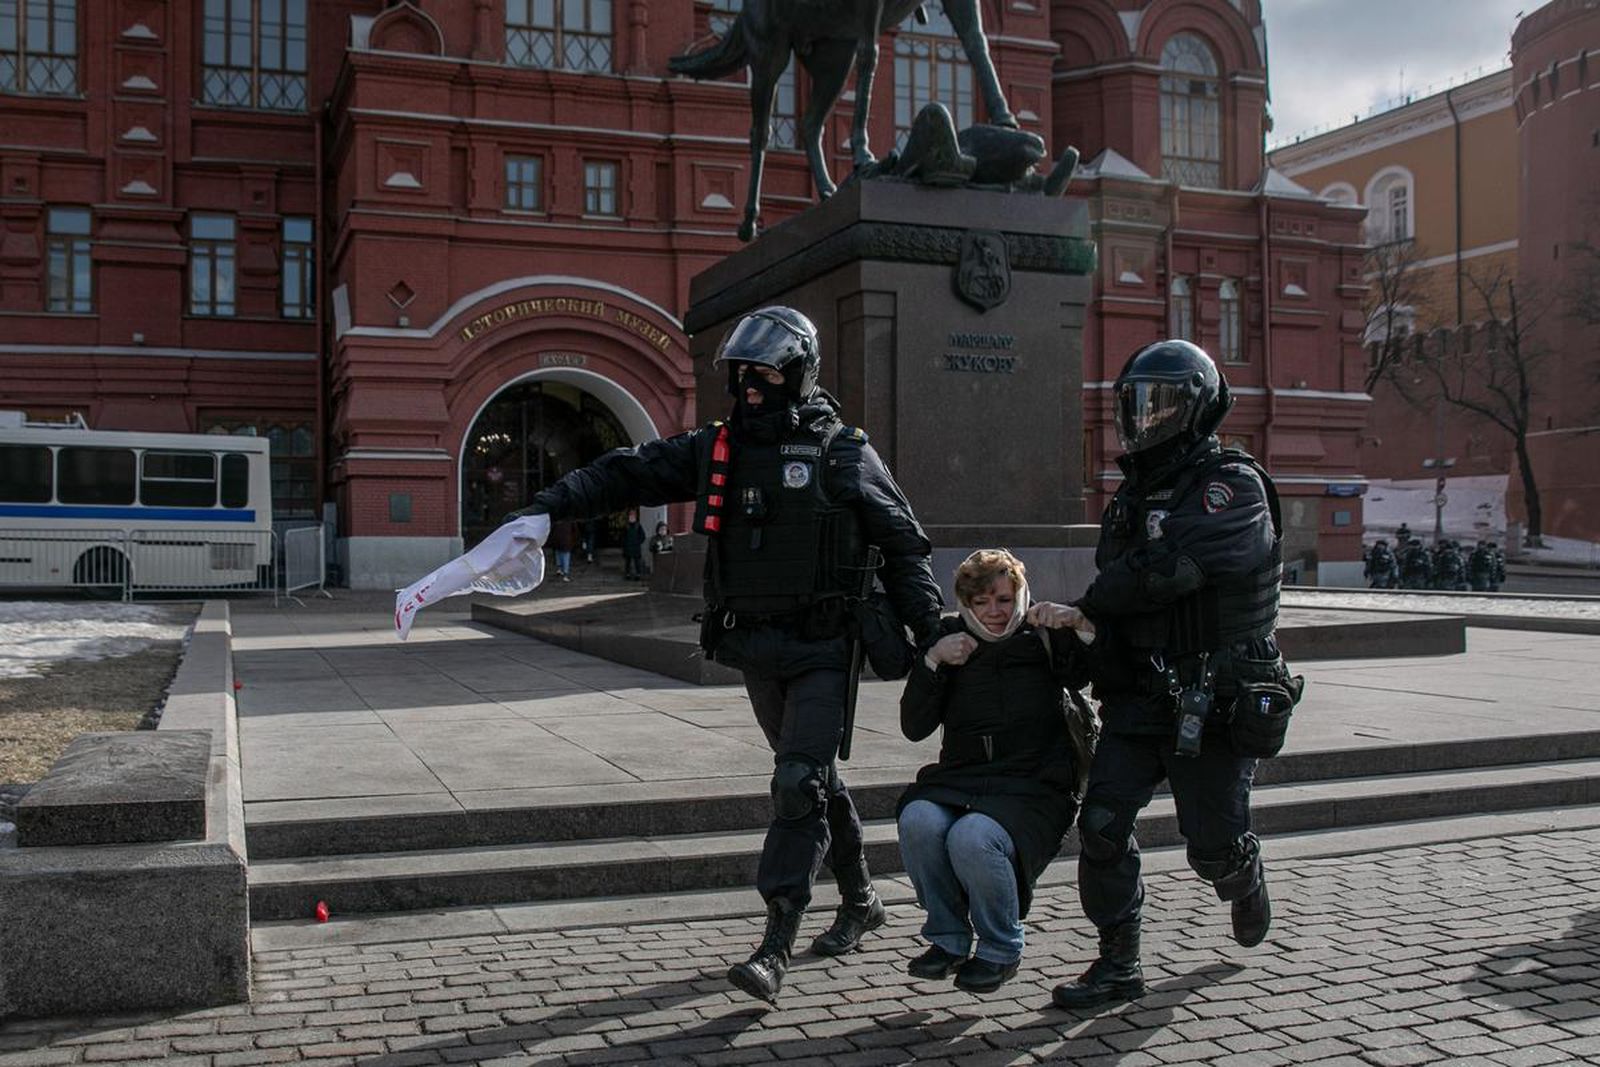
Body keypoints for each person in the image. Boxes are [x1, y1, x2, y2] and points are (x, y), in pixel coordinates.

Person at [500, 306, 943, 1004]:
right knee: (813, 775)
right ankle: (860, 898)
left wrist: (933, 634)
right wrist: (547, 505)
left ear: (798, 371)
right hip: (756, 642)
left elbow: (903, 543)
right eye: (743, 374)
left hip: (826, 643)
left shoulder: (844, 450)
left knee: (798, 782)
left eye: (767, 371)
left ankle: (775, 943)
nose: (753, 386)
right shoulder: (721, 447)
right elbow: (632, 471)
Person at [1050, 339, 1301, 1011]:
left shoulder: (1231, 484)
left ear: (1193, 407)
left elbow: (1170, 572)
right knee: (1101, 824)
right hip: (1138, 691)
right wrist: (1076, 638)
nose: (1145, 416)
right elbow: (1123, 586)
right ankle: (1118, 962)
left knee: (1210, 847)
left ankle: (1242, 873)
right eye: (1136, 403)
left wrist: (1099, 600)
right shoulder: (1131, 496)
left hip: (1213, 696)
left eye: (1159, 402)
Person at [897, 549, 1087, 994]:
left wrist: (1081, 625)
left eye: (1003, 599)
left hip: (1034, 782)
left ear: (1020, 593)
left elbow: (1090, 672)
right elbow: (914, 726)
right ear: (965, 602)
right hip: (963, 777)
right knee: (919, 821)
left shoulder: (1043, 635)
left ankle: (1001, 948)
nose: (995, 612)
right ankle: (947, 938)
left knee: (974, 837)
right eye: (981, 602)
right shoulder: (949, 638)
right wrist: (932, 662)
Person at [622, 509, 647, 579]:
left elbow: (642, 535)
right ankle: (627, 574)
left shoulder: (638, 526)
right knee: (628, 562)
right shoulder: (626, 526)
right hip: (628, 546)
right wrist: (624, 543)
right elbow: (623, 536)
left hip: (636, 547)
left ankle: (638, 574)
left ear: (635, 517)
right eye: (630, 516)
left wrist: (638, 542)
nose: (632, 518)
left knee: (637, 562)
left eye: (633, 516)